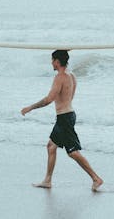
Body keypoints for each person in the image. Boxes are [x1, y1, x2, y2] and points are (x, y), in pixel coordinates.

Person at [21, 49, 103, 191]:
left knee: (72, 152)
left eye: (53, 60)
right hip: (68, 114)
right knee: (51, 146)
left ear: (57, 62)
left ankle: (96, 178)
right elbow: (70, 96)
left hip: (64, 118)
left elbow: (48, 99)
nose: (51, 63)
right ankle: (47, 180)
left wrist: (30, 107)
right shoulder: (72, 76)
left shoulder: (59, 77)